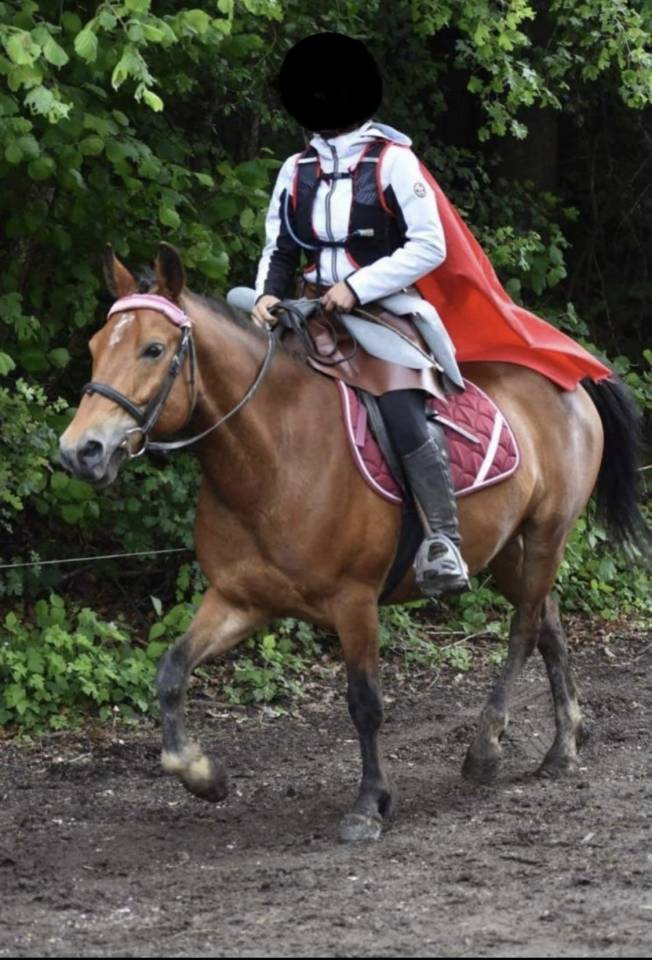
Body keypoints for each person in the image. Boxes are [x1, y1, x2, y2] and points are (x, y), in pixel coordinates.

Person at [251, 32, 470, 597]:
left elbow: (430, 246)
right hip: (306, 313)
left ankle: (443, 541)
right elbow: (279, 247)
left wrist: (356, 285)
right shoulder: (293, 168)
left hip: (384, 311)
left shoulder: (395, 162)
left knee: (398, 404)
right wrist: (263, 297)